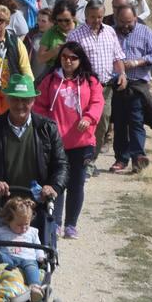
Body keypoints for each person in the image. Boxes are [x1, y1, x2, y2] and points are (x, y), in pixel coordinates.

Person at [33, 41, 104, 239]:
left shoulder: (91, 81)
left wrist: (88, 118)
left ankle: (71, 224)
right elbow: (39, 105)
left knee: (76, 183)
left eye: (73, 58)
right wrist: (45, 125)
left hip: (82, 142)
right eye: (64, 57)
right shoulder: (50, 79)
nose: (68, 61)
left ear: (80, 60)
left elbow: (98, 102)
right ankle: (55, 222)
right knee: (57, 183)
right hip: (55, 142)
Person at [0, 75, 66, 217]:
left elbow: (61, 164)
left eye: (25, 100)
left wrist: (53, 186)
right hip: (4, 204)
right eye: (15, 99)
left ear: (33, 101)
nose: (20, 104)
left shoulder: (47, 128)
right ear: (7, 99)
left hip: (39, 204)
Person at [66, 2, 127, 157]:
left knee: (102, 123)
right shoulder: (75, 35)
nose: (96, 20)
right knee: (80, 122)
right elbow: (68, 61)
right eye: (93, 17)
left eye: (99, 16)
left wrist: (122, 74)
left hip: (105, 88)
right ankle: (78, 156)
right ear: (86, 16)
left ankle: (91, 159)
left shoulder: (110, 32)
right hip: (83, 87)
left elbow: (117, 57)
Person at [110, 2, 152, 174]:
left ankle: (138, 157)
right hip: (117, 84)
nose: (125, 26)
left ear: (135, 18)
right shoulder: (110, 32)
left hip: (137, 84)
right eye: (122, 22)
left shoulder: (145, 32)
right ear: (116, 19)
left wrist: (137, 62)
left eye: (129, 22)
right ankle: (121, 158)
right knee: (119, 122)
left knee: (136, 120)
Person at [34, 2, 76, 78]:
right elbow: (40, 59)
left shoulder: (81, 30)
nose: (63, 23)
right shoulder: (50, 33)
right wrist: (55, 51)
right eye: (60, 20)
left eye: (67, 20)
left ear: (73, 17)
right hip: (54, 73)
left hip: (77, 72)